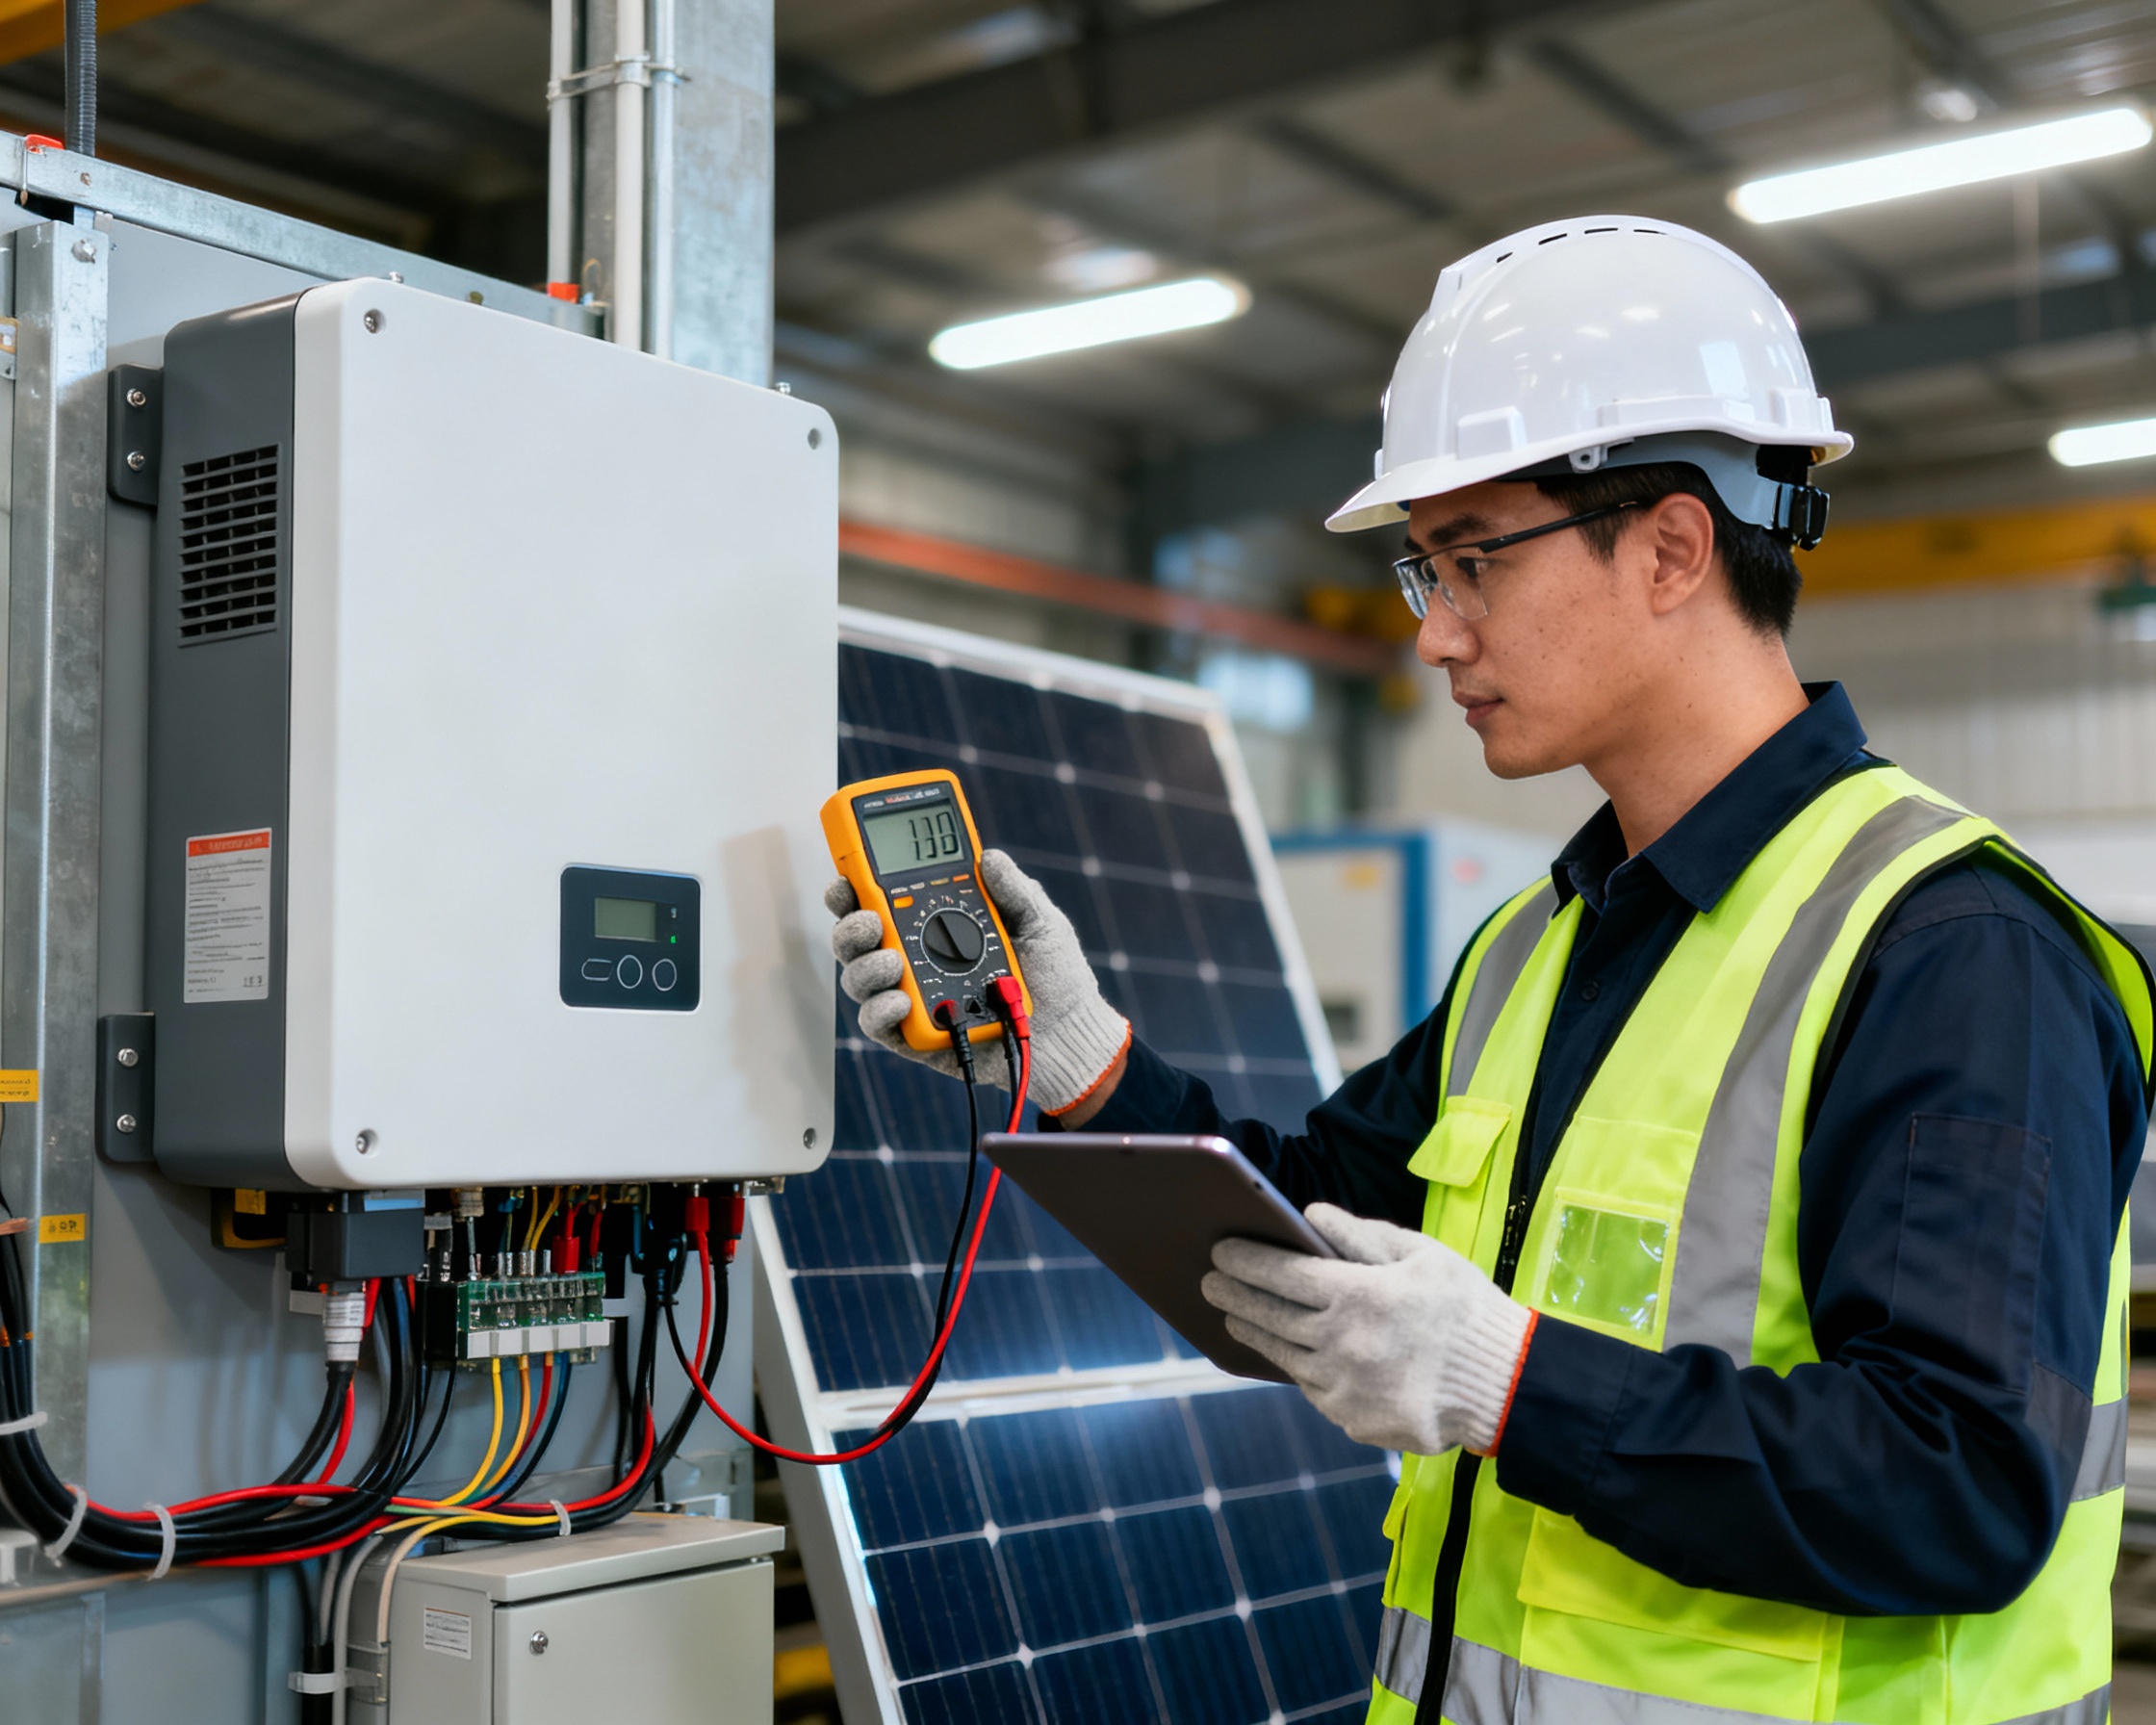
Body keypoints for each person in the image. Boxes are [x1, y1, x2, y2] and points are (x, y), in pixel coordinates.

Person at [824, 216, 2152, 1725]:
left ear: (1669, 548)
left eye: (1472, 562)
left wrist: (1512, 1383)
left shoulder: (1952, 952)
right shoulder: (1545, 943)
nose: (1436, 635)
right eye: (1422, 569)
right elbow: (1289, 1250)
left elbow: (1957, 1488)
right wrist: (1073, 1059)